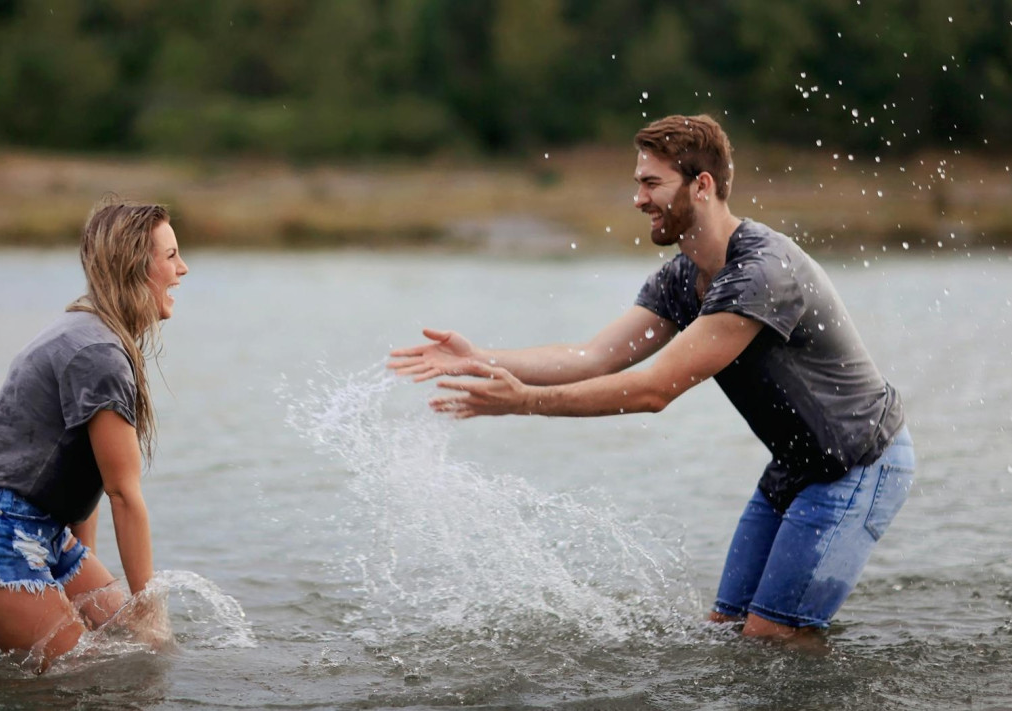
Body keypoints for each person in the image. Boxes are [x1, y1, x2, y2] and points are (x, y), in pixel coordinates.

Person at [388, 114, 913, 644]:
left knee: (772, 635)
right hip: (796, 466)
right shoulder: (682, 276)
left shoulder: (760, 272)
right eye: (638, 183)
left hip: (857, 461)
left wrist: (524, 401)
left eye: (651, 183)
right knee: (727, 631)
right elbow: (595, 356)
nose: (638, 199)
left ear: (701, 186)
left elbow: (653, 389)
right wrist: (483, 357)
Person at [0, 200, 188, 668]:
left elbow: (83, 476)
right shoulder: (99, 352)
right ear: (136, 265)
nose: (183, 269)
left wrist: (86, 586)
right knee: (87, 675)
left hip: (43, 530)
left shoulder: (95, 334)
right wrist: (148, 607)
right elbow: (123, 492)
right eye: (171, 256)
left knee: (142, 654)